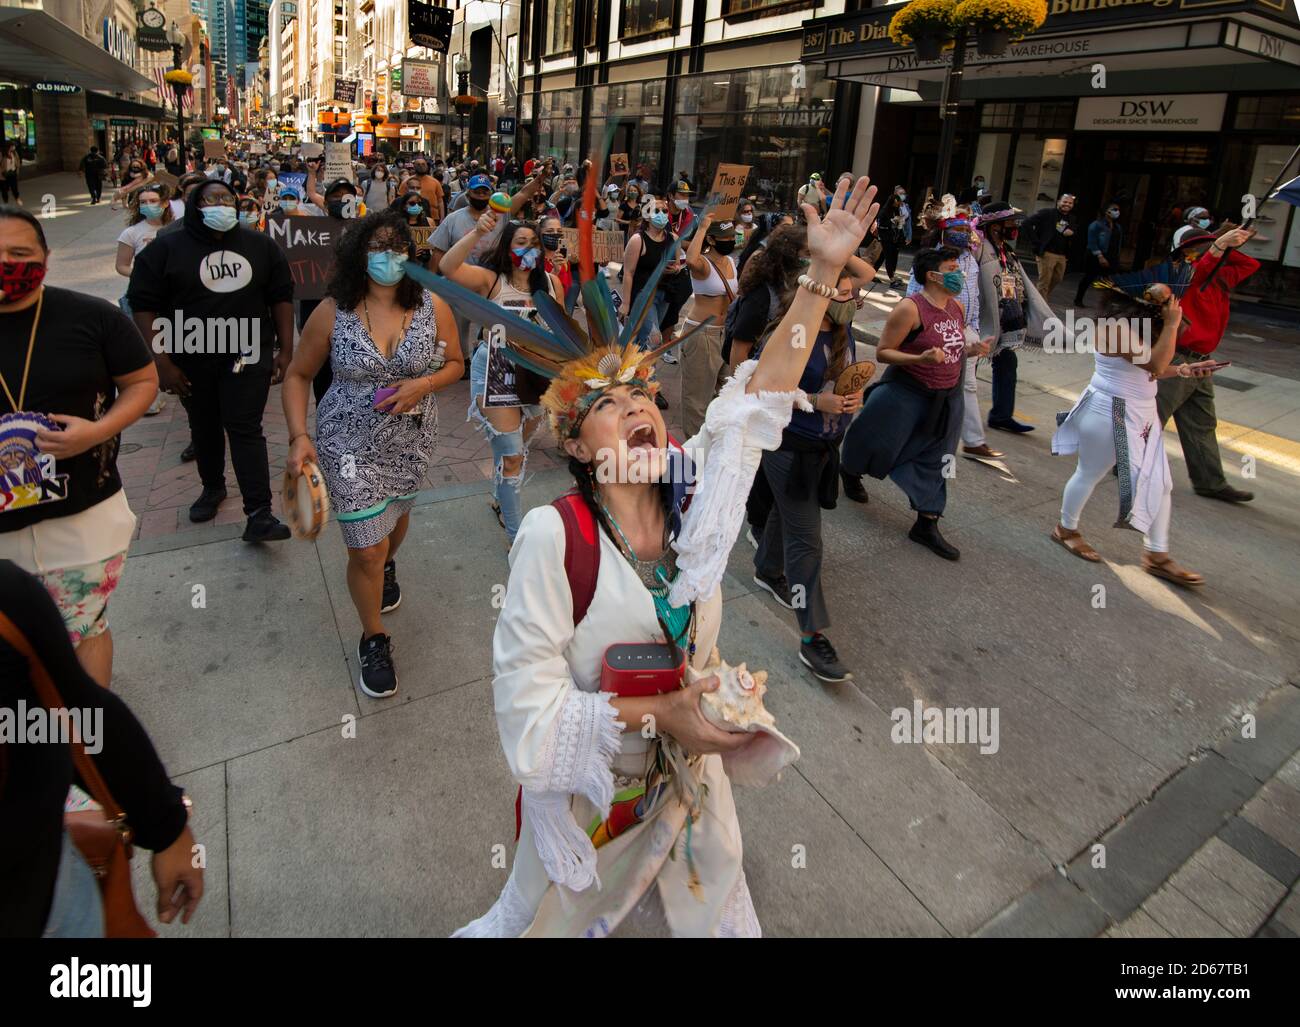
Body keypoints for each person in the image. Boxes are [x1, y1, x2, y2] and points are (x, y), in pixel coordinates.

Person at [447, 174, 879, 938]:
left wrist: (817, 279)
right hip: (589, 809)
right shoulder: (557, 537)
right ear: (578, 445)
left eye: (643, 393)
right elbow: (528, 722)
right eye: (607, 404)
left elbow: (761, 393)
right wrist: (664, 712)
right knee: (531, 922)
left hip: (691, 792)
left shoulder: (698, 501)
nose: (637, 407)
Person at [283, 212, 463, 698]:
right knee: (364, 546)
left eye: (398, 247)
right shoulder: (333, 312)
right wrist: (299, 436)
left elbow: (455, 364)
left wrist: (423, 384)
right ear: (358, 255)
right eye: (377, 248)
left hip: (412, 439)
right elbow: (298, 375)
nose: (389, 257)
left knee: (394, 521)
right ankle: (373, 637)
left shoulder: (432, 305)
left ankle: (385, 566)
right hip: (346, 440)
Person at [0, 560, 204, 937]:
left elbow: (77, 720)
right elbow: (78, 720)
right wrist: (168, 831)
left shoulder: (8, 610)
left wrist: (167, 829)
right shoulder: (9, 605)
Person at [0, 206, 159, 686]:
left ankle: (86, 740)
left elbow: (141, 382)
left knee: (84, 622)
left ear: (45, 257)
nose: (6, 263)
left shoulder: (92, 318)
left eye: (18, 253)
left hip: (84, 508)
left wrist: (97, 431)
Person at [126, 180, 295, 542]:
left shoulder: (260, 245)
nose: (222, 204)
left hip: (248, 354)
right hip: (190, 357)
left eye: (227, 198)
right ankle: (213, 487)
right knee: (204, 426)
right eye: (211, 199)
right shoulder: (166, 248)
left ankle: (259, 513)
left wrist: (286, 348)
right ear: (194, 205)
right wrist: (161, 361)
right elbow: (143, 305)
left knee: (245, 427)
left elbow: (281, 296)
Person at [1052, 272, 1218, 585]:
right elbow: (1153, 365)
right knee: (1090, 473)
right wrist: (1170, 326)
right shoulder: (1116, 328)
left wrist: (1183, 369)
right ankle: (1065, 528)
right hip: (1109, 410)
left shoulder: (1142, 327)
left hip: (1143, 413)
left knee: (1160, 483)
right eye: (1166, 300)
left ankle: (1157, 555)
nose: (1173, 304)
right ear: (1143, 301)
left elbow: (1153, 370)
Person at [842, 247, 993, 562]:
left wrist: (971, 350)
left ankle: (927, 521)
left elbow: (951, 349)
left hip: (944, 398)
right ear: (932, 275)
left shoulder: (954, 307)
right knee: (872, 442)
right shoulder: (910, 309)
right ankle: (850, 471)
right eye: (952, 268)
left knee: (939, 458)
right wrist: (919, 358)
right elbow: (884, 352)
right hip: (906, 393)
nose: (959, 274)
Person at [752, 267, 866, 682]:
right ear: (817, 297)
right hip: (788, 449)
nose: (851, 301)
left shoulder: (841, 328)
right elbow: (762, 390)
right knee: (807, 541)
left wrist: (850, 398)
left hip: (822, 449)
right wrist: (818, 401)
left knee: (789, 514)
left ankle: (767, 569)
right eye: (842, 294)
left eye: (854, 294)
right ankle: (811, 636)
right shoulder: (790, 336)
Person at [440, 209, 564, 543]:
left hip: (535, 377)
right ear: (506, 248)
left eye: (534, 242)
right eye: (521, 242)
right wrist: (476, 233)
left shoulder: (551, 284)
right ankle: (516, 537)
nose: (529, 248)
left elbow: (561, 333)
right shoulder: (490, 280)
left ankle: (500, 496)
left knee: (516, 447)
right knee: (512, 456)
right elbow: (447, 268)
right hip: (495, 373)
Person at [1155, 226, 1260, 504]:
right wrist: (1216, 248)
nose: (1204, 249)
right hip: (1178, 358)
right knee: (1152, 417)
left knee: (1201, 423)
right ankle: (1125, 462)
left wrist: (1228, 246)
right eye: (1198, 246)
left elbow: (1250, 265)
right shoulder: (1181, 273)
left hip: (1201, 361)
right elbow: (1198, 269)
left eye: (1207, 244)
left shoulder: (1216, 275)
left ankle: (1209, 482)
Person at [899, 215, 1002, 463]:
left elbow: (973, 296)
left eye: (967, 229)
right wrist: (921, 327)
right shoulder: (929, 260)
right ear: (944, 232)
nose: (965, 234)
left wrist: (973, 328)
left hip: (963, 328)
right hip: (934, 328)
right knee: (928, 381)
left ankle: (973, 441)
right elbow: (913, 292)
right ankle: (912, 431)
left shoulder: (970, 261)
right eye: (958, 229)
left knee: (965, 385)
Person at [976, 202, 1048, 434]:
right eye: (1010, 223)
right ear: (995, 226)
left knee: (1007, 362)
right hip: (979, 319)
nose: (1015, 227)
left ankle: (1001, 415)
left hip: (1004, 320)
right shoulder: (979, 248)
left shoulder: (1006, 249)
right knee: (966, 365)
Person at [677, 214, 738, 438]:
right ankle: (694, 451)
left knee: (728, 391)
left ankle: (716, 439)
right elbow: (690, 259)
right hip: (701, 333)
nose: (731, 240)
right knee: (697, 398)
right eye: (726, 237)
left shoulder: (731, 262)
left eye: (733, 235)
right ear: (711, 240)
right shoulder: (702, 263)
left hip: (725, 334)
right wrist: (702, 227)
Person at [1024, 193, 1077, 302]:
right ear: (1058, 202)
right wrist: (1036, 242)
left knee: (1058, 278)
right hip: (1047, 252)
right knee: (1044, 281)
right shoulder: (1047, 213)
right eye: (1065, 202)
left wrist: (1072, 233)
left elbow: (1074, 231)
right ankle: (1041, 306)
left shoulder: (1072, 218)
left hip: (1062, 255)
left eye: (1070, 203)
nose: (1067, 204)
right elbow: (1027, 223)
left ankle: (1037, 299)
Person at [1075, 201, 1123, 307]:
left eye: (1118, 210)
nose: (1117, 212)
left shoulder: (1118, 227)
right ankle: (1078, 299)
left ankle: (1107, 302)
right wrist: (1100, 256)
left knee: (1110, 280)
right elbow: (1092, 242)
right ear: (1107, 211)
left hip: (1112, 256)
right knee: (1089, 277)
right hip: (1096, 256)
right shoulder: (1096, 225)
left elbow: (1117, 243)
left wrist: (1117, 257)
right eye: (1114, 209)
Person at [876, 189, 910, 291]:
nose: (898, 204)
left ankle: (872, 272)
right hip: (886, 238)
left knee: (883, 257)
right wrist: (892, 221)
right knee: (889, 258)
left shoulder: (896, 210)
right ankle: (892, 280)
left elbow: (900, 223)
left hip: (894, 238)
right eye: (897, 202)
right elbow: (880, 225)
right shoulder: (884, 211)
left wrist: (899, 222)